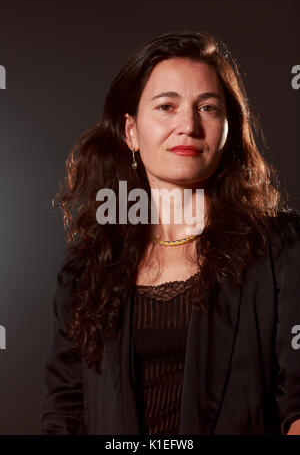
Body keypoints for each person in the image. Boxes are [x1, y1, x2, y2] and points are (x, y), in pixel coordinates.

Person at [41, 30, 300, 435]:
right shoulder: (85, 270)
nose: (188, 125)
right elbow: (65, 412)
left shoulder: (281, 249)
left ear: (228, 130)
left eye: (209, 108)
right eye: (166, 106)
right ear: (131, 132)